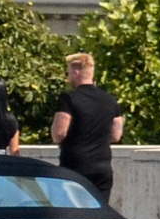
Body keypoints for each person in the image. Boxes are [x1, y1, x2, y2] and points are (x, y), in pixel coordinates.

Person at [49, 53, 124, 201]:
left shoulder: (68, 99)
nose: (67, 77)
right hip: (102, 169)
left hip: (75, 168)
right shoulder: (110, 100)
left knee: (73, 217)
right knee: (99, 217)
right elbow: (116, 135)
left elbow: (59, 133)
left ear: (76, 73)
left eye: (68, 73)